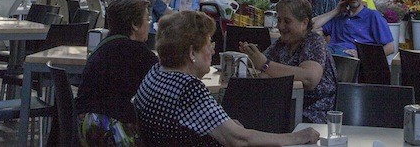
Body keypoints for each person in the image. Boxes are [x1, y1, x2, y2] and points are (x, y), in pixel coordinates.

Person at [133, 10, 320, 146]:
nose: (213, 50)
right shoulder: (188, 88)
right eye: (209, 43)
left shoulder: (156, 73)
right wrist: (296, 137)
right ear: (192, 53)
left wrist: (227, 126)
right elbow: (239, 139)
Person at [241, 0, 337, 123]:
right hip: (284, 107)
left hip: (312, 114)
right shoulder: (282, 44)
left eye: (287, 21)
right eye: (279, 20)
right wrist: (250, 56)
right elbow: (259, 65)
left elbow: (309, 79)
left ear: (304, 23)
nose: (280, 26)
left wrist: (265, 65)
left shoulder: (314, 42)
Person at [76, 0, 159, 144]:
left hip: (81, 126)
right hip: (110, 128)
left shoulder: (103, 46)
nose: (149, 24)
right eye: (147, 19)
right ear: (135, 24)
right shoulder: (139, 53)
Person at [312, 0, 394, 57]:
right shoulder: (339, 16)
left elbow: (390, 48)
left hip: (353, 60)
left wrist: (363, 55)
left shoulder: (372, 16)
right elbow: (311, 26)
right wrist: (336, 10)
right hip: (332, 55)